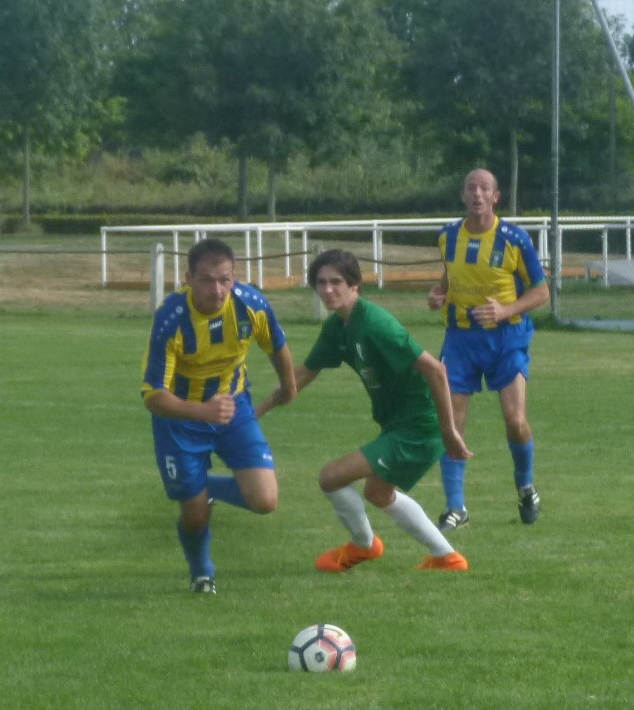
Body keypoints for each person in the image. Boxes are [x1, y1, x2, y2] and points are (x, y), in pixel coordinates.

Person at [257, 248, 472, 573]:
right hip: (397, 424)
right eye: (321, 283)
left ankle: (363, 546)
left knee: (331, 477)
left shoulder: (375, 325)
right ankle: (447, 558)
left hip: (418, 427)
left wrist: (449, 430)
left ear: (355, 285)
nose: (328, 289)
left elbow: (435, 370)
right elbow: (302, 375)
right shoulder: (338, 327)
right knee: (378, 492)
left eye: (336, 282)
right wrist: (255, 412)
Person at [141, 237, 296, 593]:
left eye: (225, 279)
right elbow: (152, 395)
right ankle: (202, 572)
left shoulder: (250, 304)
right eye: (207, 280)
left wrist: (288, 387)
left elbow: (276, 344)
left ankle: (202, 489)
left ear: (234, 276)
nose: (217, 290)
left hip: (233, 409)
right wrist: (201, 411)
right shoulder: (171, 319)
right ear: (188, 279)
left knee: (265, 501)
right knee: (194, 516)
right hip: (180, 420)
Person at [428, 168, 550, 530]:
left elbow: (541, 292)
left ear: (495, 197)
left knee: (515, 422)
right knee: (452, 422)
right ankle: (456, 508)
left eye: (484, 188)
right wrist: (439, 294)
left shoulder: (514, 239)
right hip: (460, 340)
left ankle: (525, 485)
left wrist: (506, 310)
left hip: (506, 338)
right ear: (463, 195)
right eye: (471, 188)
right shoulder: (448, 236)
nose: (477, 194)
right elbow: (449, 276)